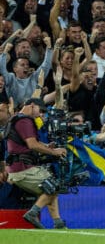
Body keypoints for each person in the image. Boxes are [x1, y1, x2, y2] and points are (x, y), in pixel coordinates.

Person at [5, 98, 67, 229]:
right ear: (32, 106)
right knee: (53, 187)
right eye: (40, 110)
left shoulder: (16, 119)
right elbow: (32, 145)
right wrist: (54, 152)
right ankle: (33, 212)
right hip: (23, 168)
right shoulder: (25, 120)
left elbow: (23, 143)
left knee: (50, 189)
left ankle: (58, 223)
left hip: (17, 168)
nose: (40, 114)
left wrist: (47, 146)